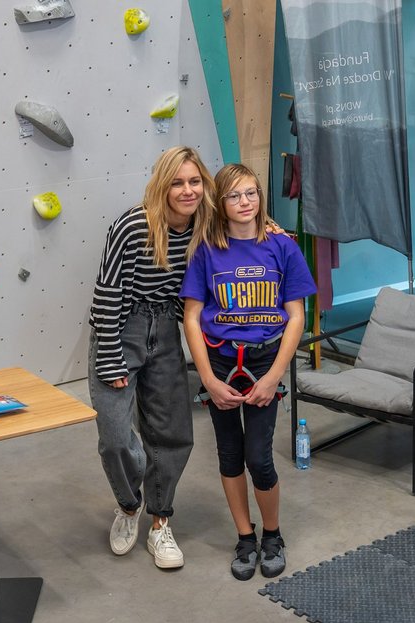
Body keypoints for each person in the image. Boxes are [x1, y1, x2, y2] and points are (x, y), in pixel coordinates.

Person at [180, 163, 316, 581]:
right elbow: (192, 318)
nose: (245, 202)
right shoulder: (205, 250)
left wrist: (274, 376)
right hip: (221, 363)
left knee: (259, 456)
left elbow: (296, 316)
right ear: (220, 203)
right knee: (229, 454)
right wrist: (208, 378)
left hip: (264, 362)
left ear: (260, 196)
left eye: (251, 193)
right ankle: (245, 536)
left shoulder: (282, 247)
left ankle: (272, 534)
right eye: (234, 195)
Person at [88, 146, 213, 569]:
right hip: (121, 326)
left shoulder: (204, 225)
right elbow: (108, 293)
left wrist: (271, 227)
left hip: (166, 327)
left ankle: (160, 521)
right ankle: (129, 505)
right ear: (162, 185)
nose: (187, 190)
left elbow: (245, 224)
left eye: (194, 181)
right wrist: (109, 355)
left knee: (171, 431)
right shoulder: (133, 225)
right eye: (177, 182)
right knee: (115, 436)